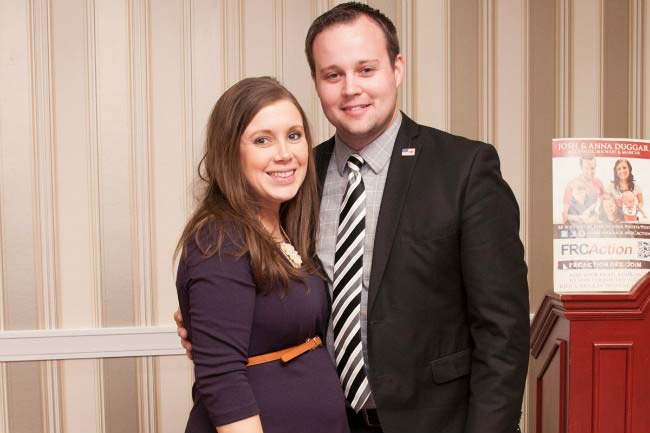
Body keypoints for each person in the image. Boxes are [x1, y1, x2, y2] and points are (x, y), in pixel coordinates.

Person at [177, 3, 529, 432]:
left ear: (397, 68)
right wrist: (210, 324)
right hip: (326, 418)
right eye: (333, 75)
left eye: (366, 69)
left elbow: (503, 332)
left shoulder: (464, 169)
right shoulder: (298, 176)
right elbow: (261, 285)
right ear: (316, 84)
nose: (350, 89)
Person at [175, 76, 349, 433]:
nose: (284, 153)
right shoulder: (220, 238)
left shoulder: (284, 229)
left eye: (294, 135)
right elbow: (223, 380)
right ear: (230, 152)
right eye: (262, 140)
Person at [562, 154, 604, 223]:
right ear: (581, 167)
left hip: (593, 226)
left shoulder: (598, 182)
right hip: (576, 227)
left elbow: (603, 207)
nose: (590, 172)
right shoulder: (571, 185)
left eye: (592, 168)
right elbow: (565, 216)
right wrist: (581, 219)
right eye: (586, 168)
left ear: (596, 167)